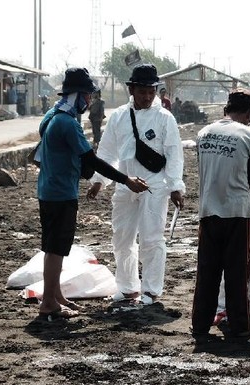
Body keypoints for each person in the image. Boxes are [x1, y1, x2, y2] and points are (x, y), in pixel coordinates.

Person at [36, 67, 149, 321]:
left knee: (54, 248)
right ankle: (48, 303)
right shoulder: (67, 124)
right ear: (77, 95)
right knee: (56, 249)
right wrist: (125, 179)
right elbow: (92, 160)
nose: (89, 101)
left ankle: (55, 296)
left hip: (48, 188)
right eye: (87, 96)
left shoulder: (53, 115)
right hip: (61, 193)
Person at [87, 64, 185, 306]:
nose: (147, 96)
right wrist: (99, 181)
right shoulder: (119, 116)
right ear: (131, 89)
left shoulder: (164, 118)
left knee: (152, 238)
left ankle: (151, 290)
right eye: (142, 91)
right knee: (121, 238)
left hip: (154, 184)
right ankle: (127, 287)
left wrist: (175, 186)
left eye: (151, 91)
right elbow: (107, 151)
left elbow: (174, 154)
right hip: (125, 183)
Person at [191, 88, 250, 339]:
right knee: (236, 272)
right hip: (238, 213)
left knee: (207, 271)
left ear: (225, 110)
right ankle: (239, 326)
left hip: (208, 212)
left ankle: (200, 324)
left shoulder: (203, 134)